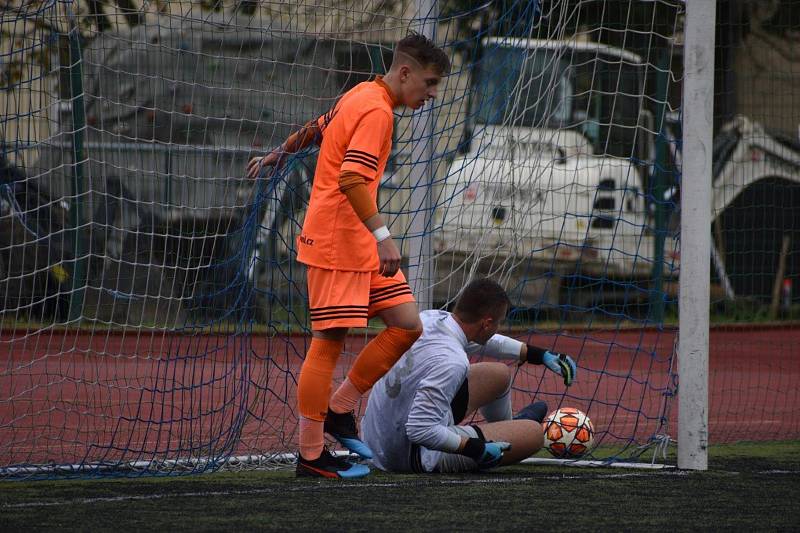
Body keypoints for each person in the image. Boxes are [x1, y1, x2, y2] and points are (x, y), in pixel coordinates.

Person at [245, 33, 451, 478]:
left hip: (358, 242)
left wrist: (282, 151)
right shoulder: (377, 111)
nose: (431, 94)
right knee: (328, 343)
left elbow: (321, 124)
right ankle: (310, 453)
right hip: (340, 240)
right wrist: (385, 237)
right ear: (404, 72)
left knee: (407, 323)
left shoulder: (363, 91)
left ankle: (340, 408)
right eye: (430, 83)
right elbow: (352, 179)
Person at [361, 278, 577, 474]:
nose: (498, 327)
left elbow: (486, 341)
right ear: (486, 323)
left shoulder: (429, 318)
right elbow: (419, 430)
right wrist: (474, 448)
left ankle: (509, 429)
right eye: (498, 322)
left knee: (499, 374)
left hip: (377, 439)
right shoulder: (452, 361)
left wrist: (538, 354)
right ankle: (516, 431)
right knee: (533, 434)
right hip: (409, 455)